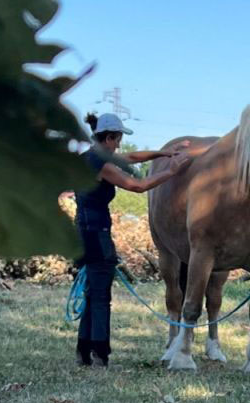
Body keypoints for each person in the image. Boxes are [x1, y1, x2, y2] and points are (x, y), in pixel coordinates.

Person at [74, 112, 191, 369]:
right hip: (96, 234)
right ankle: (100, 354)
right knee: (100, 296)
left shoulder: (89, 157)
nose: (119, 145)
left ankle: (83, 351)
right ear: (109, 138)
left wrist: (164, 153)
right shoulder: (102, 165)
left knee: (91, 292)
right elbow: (138, 185)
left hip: (82, 232)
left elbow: (133, 157)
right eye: (117, 139)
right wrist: (171, 171)